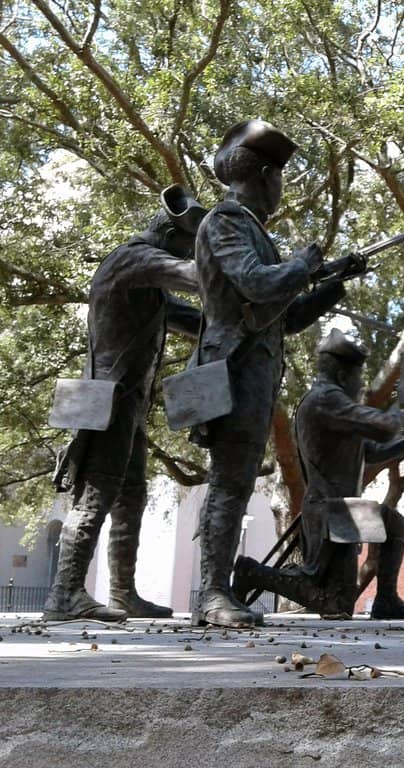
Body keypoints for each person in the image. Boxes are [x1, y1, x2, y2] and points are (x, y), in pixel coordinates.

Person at [191, 120, 359, 628]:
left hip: (252, 371)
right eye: (279, 177)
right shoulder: (226, 221)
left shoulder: (249, 227)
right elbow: (257, 285)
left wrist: (331, 284)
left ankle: (216, 591)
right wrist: (304, 263)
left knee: (237, 482)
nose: (281, 188)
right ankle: (212, 594)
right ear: (264, 174)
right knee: (228, 483)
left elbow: (284, 317)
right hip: (230, 368)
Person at [44, 186, 206, 621]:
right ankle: (65, 595)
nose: (189, 249)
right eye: (188, 242)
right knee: (96, 493)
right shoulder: (135, 258)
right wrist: (241, 271)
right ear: (170, 235)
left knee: (131, 493)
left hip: (126, 403)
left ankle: (121, 592)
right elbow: (196, 277)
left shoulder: (145, 284)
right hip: (108, 398)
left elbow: (193, 318)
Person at [232, 330, 404, 619]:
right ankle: (253, 573)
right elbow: (383, 428)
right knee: (334, 604)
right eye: (358, 376)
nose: (360, 384)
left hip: (345, 511)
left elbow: (369, 452)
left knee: (392, 523)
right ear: (343, 375)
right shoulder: (326, 400)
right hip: (328, 513)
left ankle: (386, 599)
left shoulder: (335, 405)